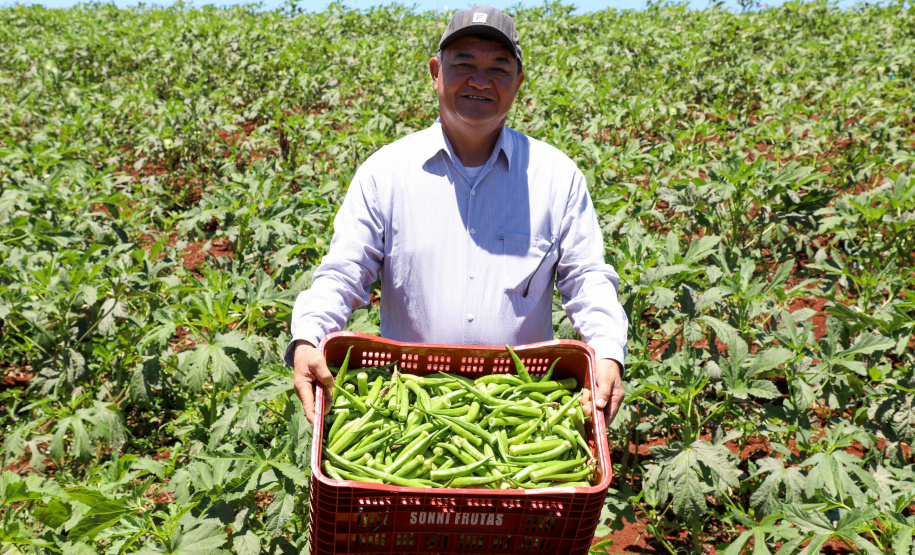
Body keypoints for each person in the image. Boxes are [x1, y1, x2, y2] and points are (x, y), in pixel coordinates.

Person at [286, 5, 627, 427]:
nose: (480, 80)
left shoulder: (556, 177)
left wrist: (609, 349)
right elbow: (343, 273)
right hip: (407, 412)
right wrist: (308, 338)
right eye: (464, 63)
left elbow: (588, 278)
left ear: (518, 83)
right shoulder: (386, 172)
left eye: (499, 68)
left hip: (522, 410)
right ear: (435, 72)